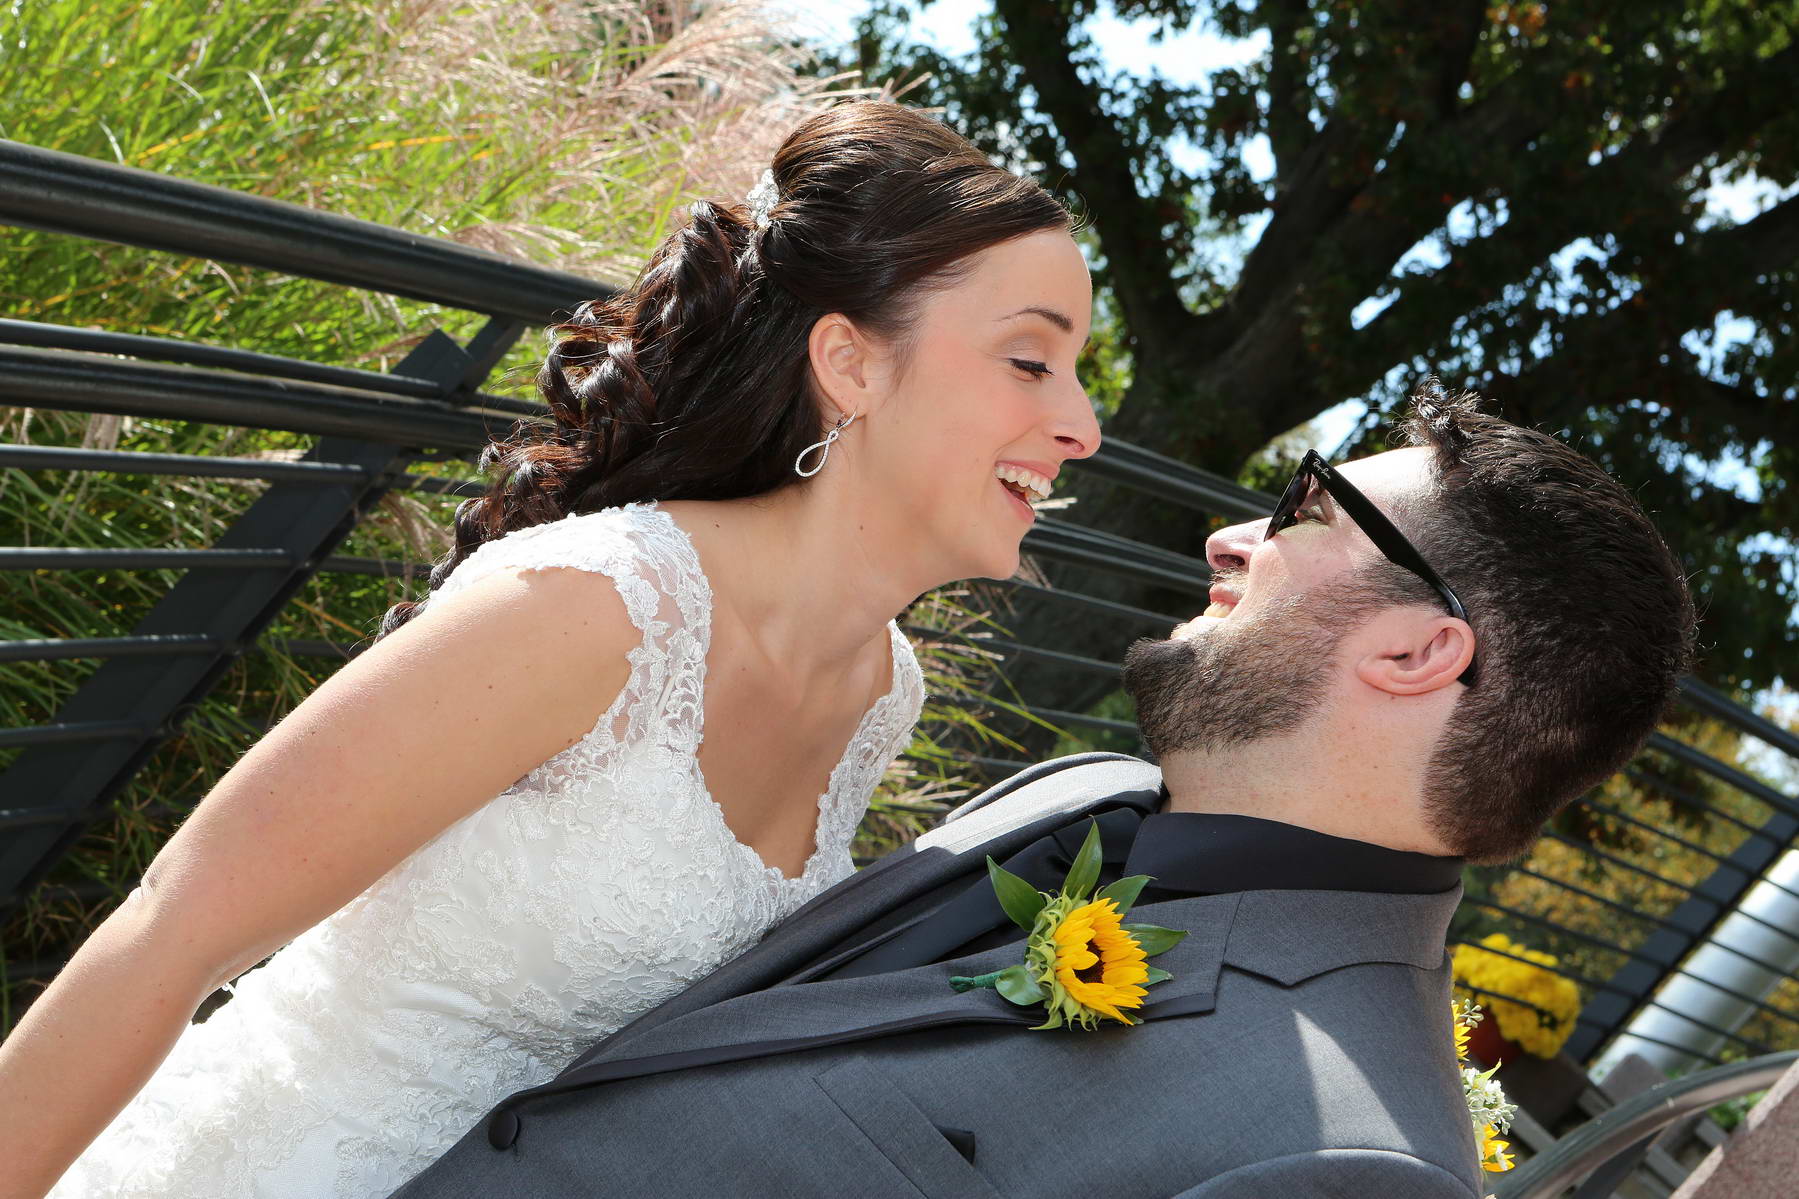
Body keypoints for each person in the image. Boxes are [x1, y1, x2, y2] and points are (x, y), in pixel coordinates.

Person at [0, 99, 1102, 1199]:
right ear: (850, 366)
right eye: (1028, 360)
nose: (1082, 424)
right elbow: (173, 925)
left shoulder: (877, 690)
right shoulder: (598, 605)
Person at [386, 382, 1696, 1198]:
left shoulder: (1355, 1164)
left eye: (1304, 508)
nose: (1227, 535)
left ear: (1415, 649)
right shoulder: (1079, 790)